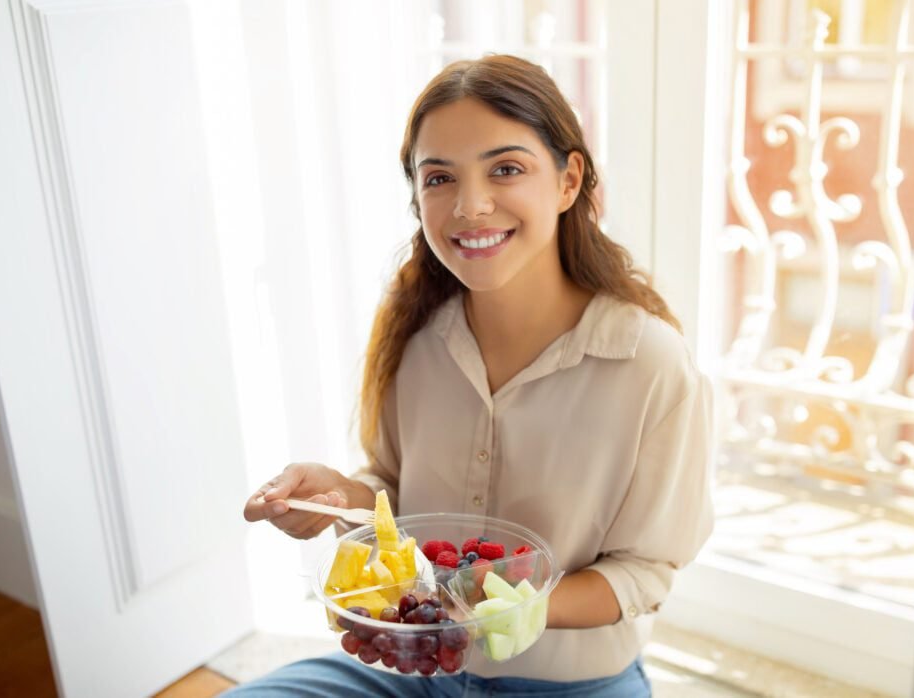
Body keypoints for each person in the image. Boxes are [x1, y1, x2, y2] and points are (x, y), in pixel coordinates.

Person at [228, 54, 713, 698]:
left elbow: (646, 571)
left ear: (569, 181)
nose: (471, 206)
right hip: (414, 667)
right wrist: (344, 497)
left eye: (506, 169)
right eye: (439, 179)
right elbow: (397, 493)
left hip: (568, 684)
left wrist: (506, 602)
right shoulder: (416, 333)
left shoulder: (650, 364)